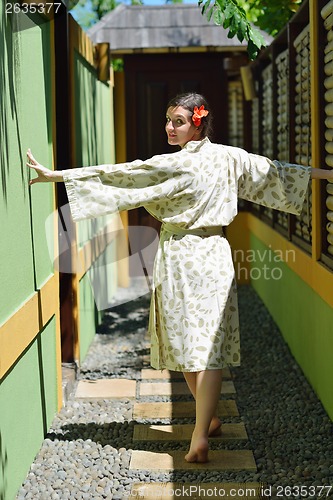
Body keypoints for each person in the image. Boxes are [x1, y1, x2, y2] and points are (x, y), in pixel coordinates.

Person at [27, 92, 333, 463]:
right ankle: (209, 419)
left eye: (178, 121)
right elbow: (277, 171)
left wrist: (59, 176)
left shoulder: (173, 165)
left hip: (179, 255)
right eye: (168, 120)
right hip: (214, 254)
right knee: (207, 345)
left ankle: (200, 435)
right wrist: (325, 174)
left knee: (187, 342)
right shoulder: (231, 157)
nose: (170, 127)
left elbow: (122, 176)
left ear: (197, 122)